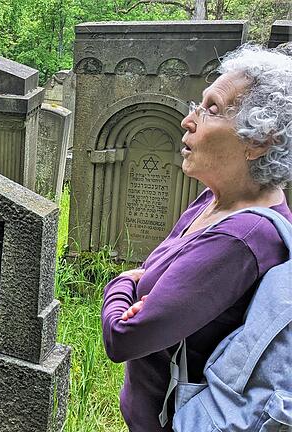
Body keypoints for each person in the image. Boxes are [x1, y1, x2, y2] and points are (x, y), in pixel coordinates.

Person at [101, 44, 292, 431]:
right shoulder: (215, 199)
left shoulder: (242, 238)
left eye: (212, 109)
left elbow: (123, 337)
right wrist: (143, 284)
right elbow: (156, 272)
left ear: (259, 141)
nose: (190, 121)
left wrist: (122, 281)